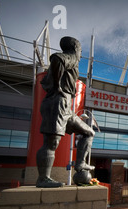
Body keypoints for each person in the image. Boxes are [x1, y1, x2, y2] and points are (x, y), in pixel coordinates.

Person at [36, 36, 95, 188]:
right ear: (75, 48)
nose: (80, 54)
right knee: (51, 142)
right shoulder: (72, 57)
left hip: (66, 108)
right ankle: (43, 178)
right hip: (58, 103)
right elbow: (57, 59)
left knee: (89, 132)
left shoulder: (72, 60)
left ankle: (81, 163)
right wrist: (57, 85)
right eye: (80, 50)